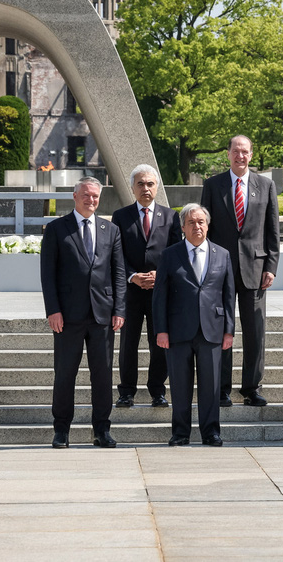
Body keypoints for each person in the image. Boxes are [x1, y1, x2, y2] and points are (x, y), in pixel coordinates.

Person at [40, 176, 126, 449]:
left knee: (102, 376)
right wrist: (53, 310)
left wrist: (119, 309)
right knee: (65, 374)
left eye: (95, 197)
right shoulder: (56, 229)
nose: (91, 200)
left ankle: (101, 430)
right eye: (86, 195)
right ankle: (61, 430)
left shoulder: (110, 230)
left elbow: (119, 274)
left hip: (102, 315)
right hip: (68, 316)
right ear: (75, 197)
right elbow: (47, 275)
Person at [200, 134, 281, 407]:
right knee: (221, 328)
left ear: (251, 154)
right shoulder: (213, 185)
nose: (240, 156)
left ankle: (251, 387)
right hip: (219, 270)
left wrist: (271, 266)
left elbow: (273, 231)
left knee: (255, 331)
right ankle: (222, 388)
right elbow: (204, 229)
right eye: (236, 151)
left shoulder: (266, 185)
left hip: (256, 269)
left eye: (245, 151)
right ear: (228, 154)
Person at [153, 204, 235, 447]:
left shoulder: (223, 254)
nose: (197, 226)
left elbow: (229, 295)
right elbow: (160, 296)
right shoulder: (170, 255)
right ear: (182, 227)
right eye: (191, 222)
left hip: (213, 329)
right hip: (178, 331)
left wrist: (229, 329)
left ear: (207, 226)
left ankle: (211, 433)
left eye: (201, 222)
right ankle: (180, 433)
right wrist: (161, 330)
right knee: (180, 385)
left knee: (211, 386)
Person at [112, 164, 182, 409]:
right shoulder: (121, 217)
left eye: (150, 184)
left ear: (157, 187)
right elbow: (116, 254)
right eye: (140, 184)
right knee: (128, 344)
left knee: (160, 342)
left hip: (160, 292)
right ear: (133, 188)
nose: (145, 188)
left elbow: (176, 253)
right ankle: (126, 392)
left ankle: (157, 391)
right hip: (130, 292)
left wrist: (159, 274)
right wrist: (133, 276)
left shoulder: (171, 216)